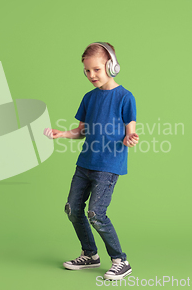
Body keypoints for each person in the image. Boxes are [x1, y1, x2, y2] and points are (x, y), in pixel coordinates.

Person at [44, 42, 139, 280]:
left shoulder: (125, 98)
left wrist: (129, 139)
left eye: (96, 69)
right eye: (87, 71)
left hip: (108, 166)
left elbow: (130, 132)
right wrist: (63, 134)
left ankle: (120, 260)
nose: (91, 75)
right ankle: (90, 254)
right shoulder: (89, 98)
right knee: (73, 209)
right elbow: (82, 131)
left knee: (96, 213)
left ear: (112, 65)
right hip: (85, 164)